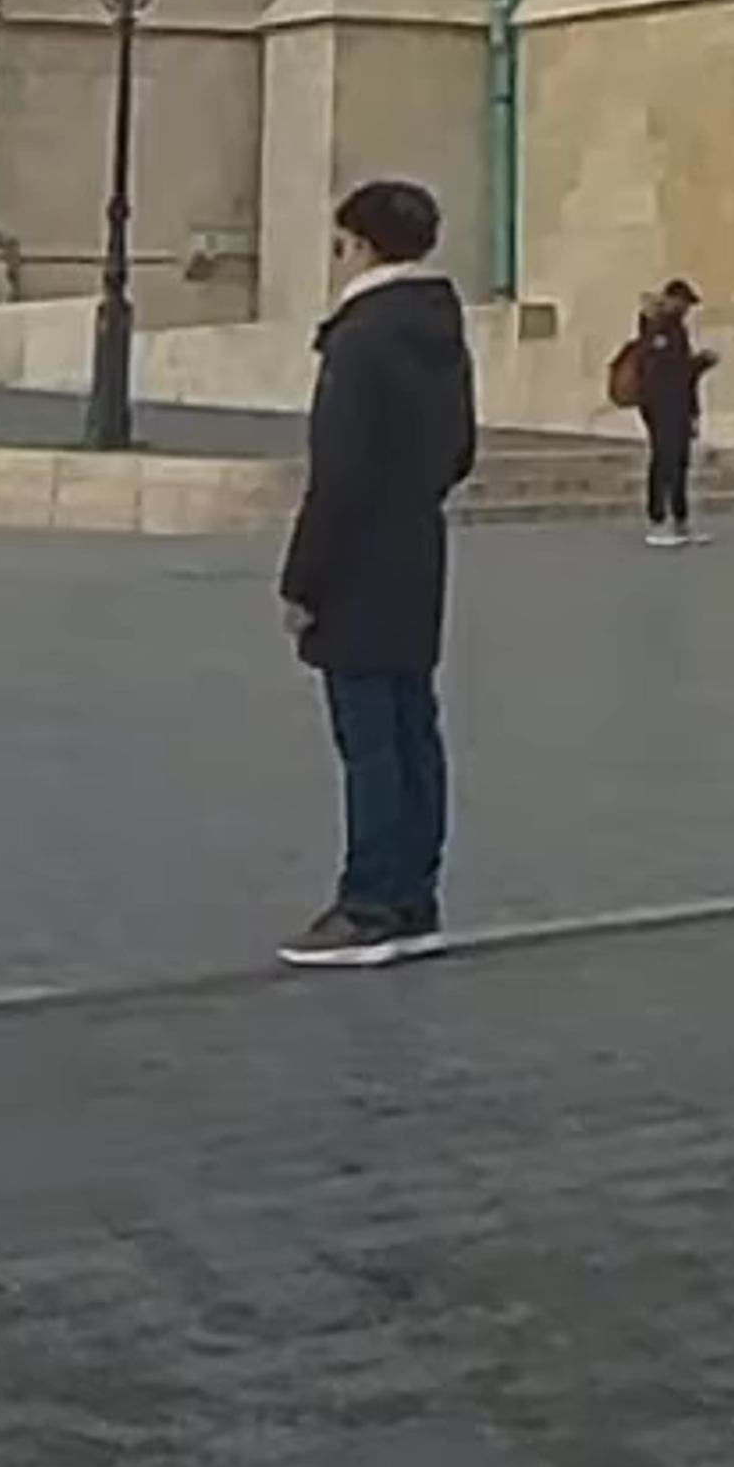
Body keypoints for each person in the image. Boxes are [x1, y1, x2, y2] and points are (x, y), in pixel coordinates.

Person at [275, 180, 478, 960]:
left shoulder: (359, 338)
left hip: (358, 557)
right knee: (411, 725)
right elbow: (461, 449)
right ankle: (414, 896)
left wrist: (303, 580)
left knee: (368, 738)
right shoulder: (439, 326)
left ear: (358, 245)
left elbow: (338, 473)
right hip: (417, 544)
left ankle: (368, 902)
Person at [624, 275, 714, 542]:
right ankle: (658, 520)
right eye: (683, 302)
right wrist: (699, 363)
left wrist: (693, 412)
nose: (686, 309)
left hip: (678, 405)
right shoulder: (657, 329)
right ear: (672, 300)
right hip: (661, 405)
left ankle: (680, 519)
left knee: (680, 463)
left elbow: (683, 376)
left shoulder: (677, 330)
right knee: (663, 461)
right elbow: (665, 371)